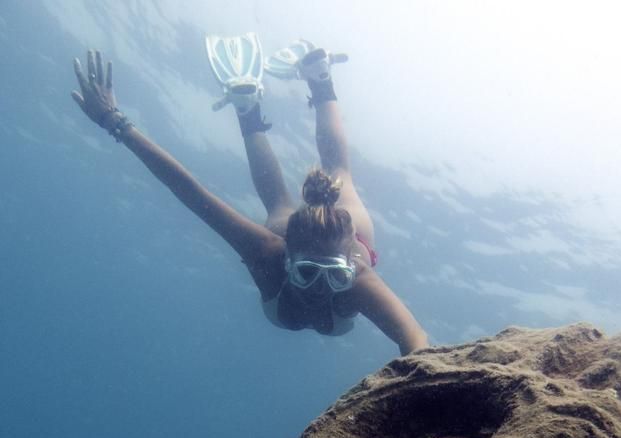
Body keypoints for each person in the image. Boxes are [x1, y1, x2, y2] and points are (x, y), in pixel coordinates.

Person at [71, 38, 429, 355]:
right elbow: (188, 190)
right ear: (287, 259)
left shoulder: (358, 281)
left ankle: (259, 104)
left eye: (336, 277)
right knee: (335, 175)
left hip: (341, 237)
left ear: (350, 268)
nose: (321, 289)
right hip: (331, 234)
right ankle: (314, 81)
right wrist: (114, 121)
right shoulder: (267, 251)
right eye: (307, 273)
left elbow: (414, 341)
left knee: (287, 198)